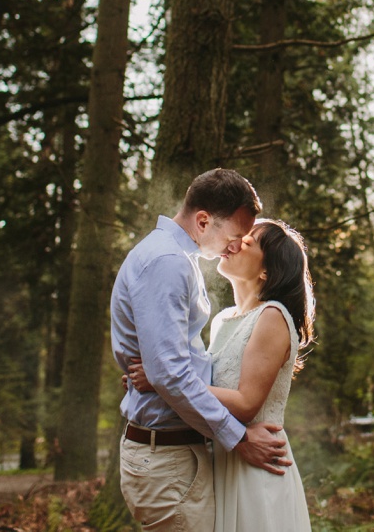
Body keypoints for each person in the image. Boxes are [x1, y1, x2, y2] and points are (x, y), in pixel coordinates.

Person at [110, 168, 290, 531]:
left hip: (178, 455)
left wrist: (161, 377)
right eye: (236, 235)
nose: (236, 245)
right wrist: (238, 438)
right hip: (167, 459)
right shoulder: (168, 263)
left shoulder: (176, 259)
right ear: (204, 220)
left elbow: (169, 369)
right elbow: (170, 373)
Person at [129, 219, 316, 532]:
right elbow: (201, 390)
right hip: (225, 457)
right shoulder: (222, 319)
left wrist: (163, 380)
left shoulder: (272, 316)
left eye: (250, 240)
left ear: (266, 271)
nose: (237, 241)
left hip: (256, 469)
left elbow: (245, 403)